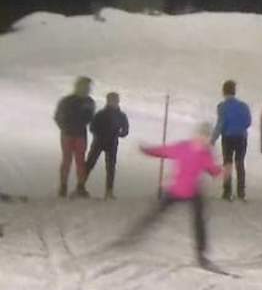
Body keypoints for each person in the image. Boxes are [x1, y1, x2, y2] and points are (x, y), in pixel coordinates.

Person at [123, 123, 224, 268]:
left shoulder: (206, 154)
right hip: (176, 190)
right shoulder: (183, 147)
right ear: (196, 136)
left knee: (199, 222)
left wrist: (222, 171)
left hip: (193, 191)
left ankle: (201, 256)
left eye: (206, 138)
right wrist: (145, 150)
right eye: (201, 136)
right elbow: (162, 151)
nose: (203, 140)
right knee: (155, 213)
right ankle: (132, 236)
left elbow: (213, 171)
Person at [54, 76, 96, 198]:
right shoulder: (67, 101)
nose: (87, 89)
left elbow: (91, 117)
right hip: (68, 134)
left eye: (88, 87)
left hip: (80, 135)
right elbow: (58, 116)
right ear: (78, 86)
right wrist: (64, 127)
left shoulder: (89, 101)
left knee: (80, 161)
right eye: (85, 86)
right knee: (67, 160)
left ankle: (80, 186)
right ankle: (63, 186)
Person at [82, 91, 130, 198]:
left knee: (110, 167)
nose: (114, 102)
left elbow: (125, 130)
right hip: (99, 142)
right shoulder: (102, 114)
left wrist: (118, 134)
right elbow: (92, 127)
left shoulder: (120, 115)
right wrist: (103, 134)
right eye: (112, 100)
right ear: (108, 101)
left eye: (115, 100)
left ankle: (109, 191)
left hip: (110, 143)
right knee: (90, 164)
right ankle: (80, 186)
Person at [212, 79, 252, 200]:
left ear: (224, 92)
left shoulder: (222, 107)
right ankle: (241, 191)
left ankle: (227, 191)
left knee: (227, 163)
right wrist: (240, 128)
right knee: (240, 163)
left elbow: (220, 124)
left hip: (228, 138)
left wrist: (213, 138)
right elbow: (248, 122)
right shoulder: (243, 106)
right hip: (241, 137)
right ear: (234, 91)